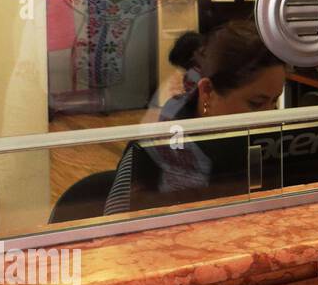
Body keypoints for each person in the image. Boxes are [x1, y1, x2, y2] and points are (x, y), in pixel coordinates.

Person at [102, 20, 285, 215]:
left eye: (274, 102)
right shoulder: (156, 145)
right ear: (207, 92)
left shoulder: (269, 144)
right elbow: (118, 230)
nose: (268, 117)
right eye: (256, 104)